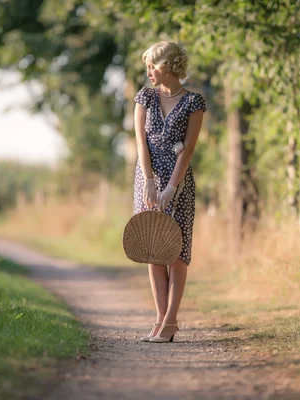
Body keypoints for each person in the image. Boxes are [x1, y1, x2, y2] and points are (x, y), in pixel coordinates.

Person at [132, 41, 206, 343]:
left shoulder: (193, 102)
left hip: (178, 182)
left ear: (167, 66)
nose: (149, 71)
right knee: (152, 249)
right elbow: (140, 142)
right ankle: (159, 319)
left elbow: (188, 149)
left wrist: (172, 188)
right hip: (147, 179)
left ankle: (171, 320)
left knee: (175, 252)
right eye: (148, 66)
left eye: (153, 65)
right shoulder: (145, 97)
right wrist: (149, 180)